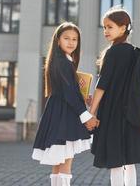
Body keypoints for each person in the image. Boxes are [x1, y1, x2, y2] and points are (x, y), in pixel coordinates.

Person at [90, 7, 140, 186]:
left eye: (110, 27)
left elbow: (102, 85)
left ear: (123, 27)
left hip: (113, 113)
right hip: (132, 114)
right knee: (129, 160)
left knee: (115, 160)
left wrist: (91, 112)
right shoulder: (136, 53)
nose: (105, 31)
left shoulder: (113, 52)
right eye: (104, 27)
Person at [31, 22, 99, 186]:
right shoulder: (63, 62)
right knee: (65, 163)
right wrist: (86, 116)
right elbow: (69, 93)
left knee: (59, 164)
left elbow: (67, 91)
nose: (71, 42)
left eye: (74, 39)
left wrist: (82, 98)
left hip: (59, 113)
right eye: (66, 38)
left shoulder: (60, 60)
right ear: (58, 40)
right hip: (64, 116)